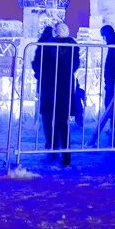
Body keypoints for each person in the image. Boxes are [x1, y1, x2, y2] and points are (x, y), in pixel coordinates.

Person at [32, 23, 80, 165]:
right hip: (64, 86)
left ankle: (52, 149)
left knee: (48, 118)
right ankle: (66, 155)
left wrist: (40, 74)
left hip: (49, 85)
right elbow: (75, 65)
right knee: (62, 121)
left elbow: (38, 64)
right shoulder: (72, 46)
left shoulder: (46, 45)